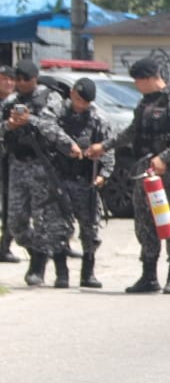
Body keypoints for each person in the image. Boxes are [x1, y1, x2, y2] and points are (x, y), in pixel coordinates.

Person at [87, 57, 170, 294]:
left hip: (168, 172)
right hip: (144, 169)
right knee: (145, 223)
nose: (137, 85)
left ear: (150, 78)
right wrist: (105, 146)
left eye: (138, 80)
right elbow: (131, 132)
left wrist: (165, 158)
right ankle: (149, 275)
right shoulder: (144, 103)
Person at [1, 59, 82, 286]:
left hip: (43, 165)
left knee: (46, 221)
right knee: (16, 222)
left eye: (24, 79)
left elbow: (52, 128)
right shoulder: (11, 101)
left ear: (34, 78)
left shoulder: (50, 98)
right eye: (17, 80)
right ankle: (37, 251)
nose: (20, 83)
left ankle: (42, 267)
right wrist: (10, 125)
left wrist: (30, 120)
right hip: (18, 165)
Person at [56, 78, 115, 289]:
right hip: (60, 179)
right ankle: (61, 273)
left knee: (90, 229)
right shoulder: (58, 114)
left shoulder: (98, 119)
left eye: (85, 102)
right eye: (78, 99)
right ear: (72, 93)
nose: (81, 104)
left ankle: (87, 273)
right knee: (59, 227)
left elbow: (107, 149)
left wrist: (103, 175)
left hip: (85, 181)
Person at [0, 64, 19, 263]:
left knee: (10, 205)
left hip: (12, 161)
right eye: (4, 78)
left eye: (11, 79)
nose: (8, 82)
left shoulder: (18, 103)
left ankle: (5, 246)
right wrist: (8, 125)